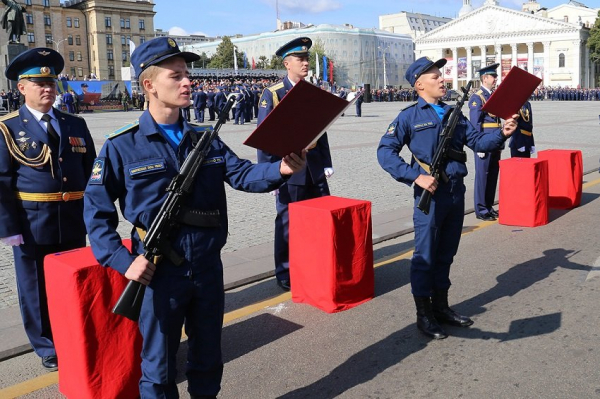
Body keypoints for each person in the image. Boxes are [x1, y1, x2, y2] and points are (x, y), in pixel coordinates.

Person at [83, 37, 306, 399]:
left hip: (206, 267)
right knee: (158, 369)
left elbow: (242, 175)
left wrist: (280, 169)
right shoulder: (121, 145)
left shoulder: (206, 139)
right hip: (158, 273)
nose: (188, 82)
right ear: (149, 85)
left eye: (188, 74)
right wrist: (124, 262)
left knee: (207, 359)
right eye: (177, 75)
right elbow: (96, 215)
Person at [377, 57, 518, 340]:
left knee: (446, 253)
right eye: (434, 77)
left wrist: (502, 133)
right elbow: (385, 152)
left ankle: (441, 307)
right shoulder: (409, 117)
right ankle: (424, 314)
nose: (442, 80)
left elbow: (478, 142)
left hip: (455, 193)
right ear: (419, 85)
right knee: (424, 257)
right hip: (430, 195)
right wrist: (414, 176)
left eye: (441, 76)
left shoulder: (454, 113)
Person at [0, 47, 96, 370]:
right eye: (39, 83)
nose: (47, 89)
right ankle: (45, 345)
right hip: (31, 223)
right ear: (21, 87)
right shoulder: (8, 128)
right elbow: (1, 182)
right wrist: (8, 228)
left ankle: (72, 332)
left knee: (73, 280)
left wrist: (97, 216)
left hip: (72, 219)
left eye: (51, 83)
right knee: (35, 286)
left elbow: (92, 170)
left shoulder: (75, 124)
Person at [257, 37, 334, 291]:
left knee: (319, 218)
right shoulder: (274, 93)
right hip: (288, 169)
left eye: (307, 58)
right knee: (288, 222)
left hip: (313, 167)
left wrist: (326, 162)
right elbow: (264, 137)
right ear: (287, 63)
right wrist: (269, 175)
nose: (305, 63)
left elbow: (321, 129)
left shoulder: (312, 91)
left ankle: (315, 263)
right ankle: (285, 271)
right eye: (300, 59)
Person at [469, 63, 502, 221]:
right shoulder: (477, 97)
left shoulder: (493, 95)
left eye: (495, 76)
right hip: (484, 142)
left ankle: (489, 206)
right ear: (484, 78)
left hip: (495, 141)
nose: (495, 79)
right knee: (483, 175)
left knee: (492, 175)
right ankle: (481, 209)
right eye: (493, 76)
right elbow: (475, 123)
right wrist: (478, 144)